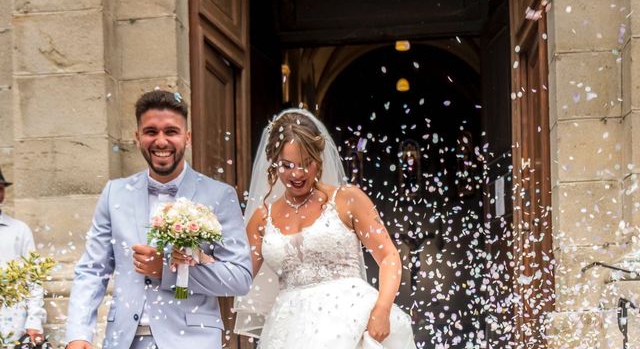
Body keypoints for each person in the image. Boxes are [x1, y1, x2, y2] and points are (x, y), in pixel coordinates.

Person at [65, 90, 252, 349]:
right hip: (124, 340)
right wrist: (78, 334)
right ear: (137, 137)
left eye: (171, 132)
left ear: (187, 138)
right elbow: (92, 270)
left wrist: (165, 270)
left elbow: (240, 277)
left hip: (192, 341)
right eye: (151, 132)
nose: (161, 141)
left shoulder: (219, 196)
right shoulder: (114, 193)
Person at [234, 109, 416, 348]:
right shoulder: (262, 217)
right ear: (274, 163)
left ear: (318, 159)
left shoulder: (348, 199)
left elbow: (390, 257)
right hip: (289, 329)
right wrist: (199, 257)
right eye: (287, 165)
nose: (297, 174)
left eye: (305, 164)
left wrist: (382, 310)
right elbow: (238, 276)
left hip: (350, 319)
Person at [0, 169, 47, 346]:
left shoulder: (19, 230)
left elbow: (33, 279)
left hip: (13, 325)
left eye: (0, 188)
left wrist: (34, 321)